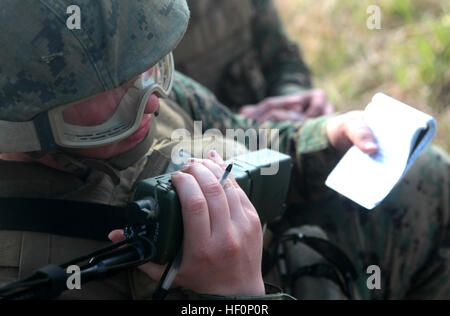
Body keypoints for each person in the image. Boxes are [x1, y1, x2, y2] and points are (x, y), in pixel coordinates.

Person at [0, 0, 448, 300]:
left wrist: (326, 135)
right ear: (19, 126)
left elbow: (247, 134)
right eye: (116, 87)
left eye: (151, 65)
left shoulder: (138, 73)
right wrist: (232, 297)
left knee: (428, 178)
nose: (152, 95)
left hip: (298, 252)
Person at [173, 0, 334, 123]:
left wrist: (294, 101)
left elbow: (280, 55)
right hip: (206, 150)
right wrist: (244, 125)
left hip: (277, 133)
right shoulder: (151, 18)